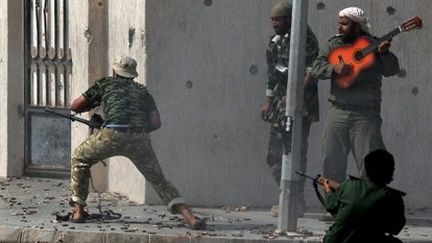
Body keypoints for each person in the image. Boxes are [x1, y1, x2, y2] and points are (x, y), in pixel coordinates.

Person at [68, 55, 206, 230]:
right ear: (133, 75)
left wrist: (96, 104)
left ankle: (79, 212)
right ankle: (190, 217)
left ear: (114, 71)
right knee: (158, 179)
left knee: (80, 158)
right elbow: (156, 123)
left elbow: (75, 106)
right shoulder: (143, 91)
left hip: (111, 135)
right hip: (140, 137)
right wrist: (135, 131)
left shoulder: (105, 84)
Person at [311, 7, 400, 183]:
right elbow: (315, 68)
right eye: (339, 23)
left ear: (358, 27)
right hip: (338, 111)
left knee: (370, 166)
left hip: (365, 115)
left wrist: (385, 53)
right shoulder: (333, 45)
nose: (339, 27)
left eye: (344, 24)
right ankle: (335, 207)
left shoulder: (375, 45)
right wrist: (333, 68)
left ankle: (368, 206)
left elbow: (392, 70)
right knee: (332, 163)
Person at [260, 1, 319, 216]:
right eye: (273, 20)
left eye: (279, 19)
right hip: (279, 103)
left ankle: (295, 200)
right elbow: (272, 72)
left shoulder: (305, 38)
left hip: (300, 105)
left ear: (290, 19)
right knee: (274, 153)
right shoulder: (276, 41)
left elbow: (312, 72)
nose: (275, 24)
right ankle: (285, 195)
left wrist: (295, 95)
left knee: (295, 150)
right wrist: (268, 101)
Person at [321, 149, 406, 243]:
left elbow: (331, 206)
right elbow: (395, 229)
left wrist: (328, 190)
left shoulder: (349, 185)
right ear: (390, 171)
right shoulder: (394, 198)